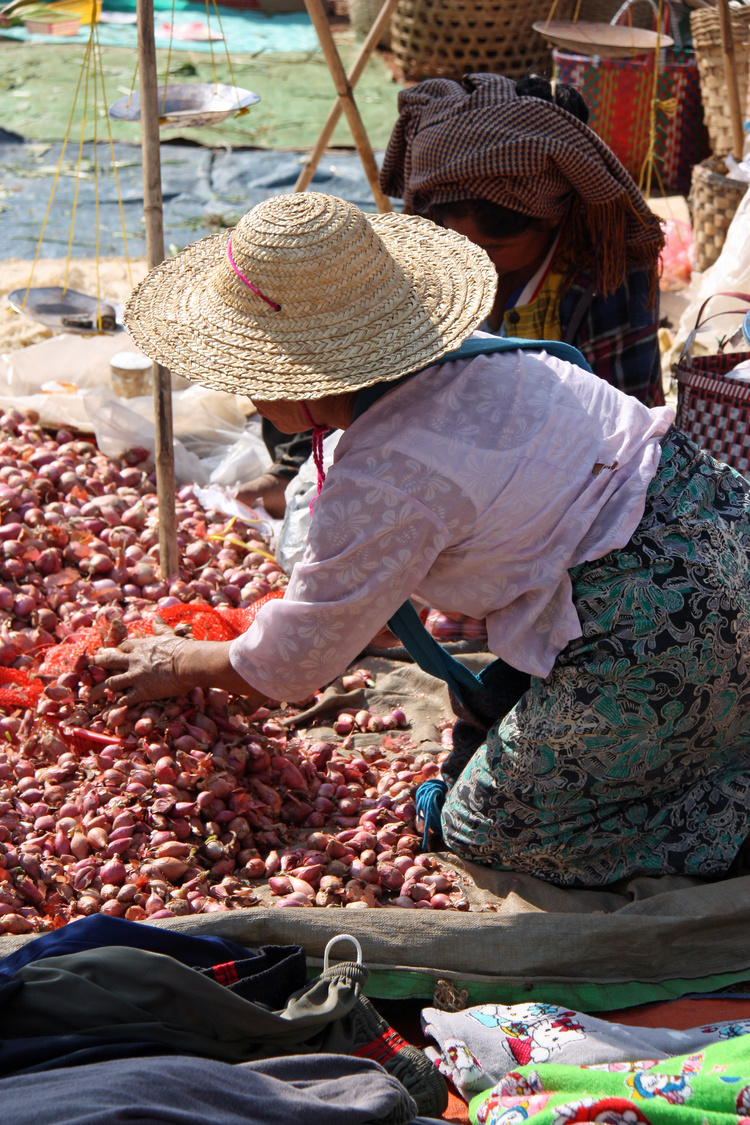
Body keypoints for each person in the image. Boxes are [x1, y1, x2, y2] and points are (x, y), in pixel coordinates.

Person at [99, 192, 750, 890]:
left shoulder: (385, 475)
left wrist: (180, 661)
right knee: (507, 709)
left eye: (248, 376)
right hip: (722, 517)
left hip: (667, 620)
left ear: (300, 380)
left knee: (487, 828)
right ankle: (703, 730)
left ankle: (726, 815)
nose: (243, 393)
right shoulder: (482, 357)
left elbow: (292, 664)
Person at [237, 73, 665, 518]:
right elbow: (356, 379)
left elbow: (618, 435)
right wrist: (295, 466)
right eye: (455, 242)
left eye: (495, 249)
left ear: (552, 222)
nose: (474, 265)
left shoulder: (606, 276)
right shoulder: (431, 259)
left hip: (569, 489)